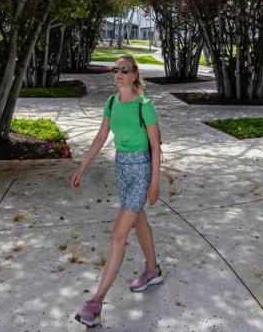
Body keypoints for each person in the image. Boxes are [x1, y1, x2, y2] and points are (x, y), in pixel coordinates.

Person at [70, 55, 163, 327]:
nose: (119, 73)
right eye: (116, 70)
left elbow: (156, 147)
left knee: (118, 236)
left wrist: (155, 182)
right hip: (121, 169)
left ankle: (96, 302)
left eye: (125, 69)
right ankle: (152, 269)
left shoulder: (145, 106)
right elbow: (101, 137)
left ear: (134, 75)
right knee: (139, 220)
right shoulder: (111, 103)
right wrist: (82, 168)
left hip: (141, 170)